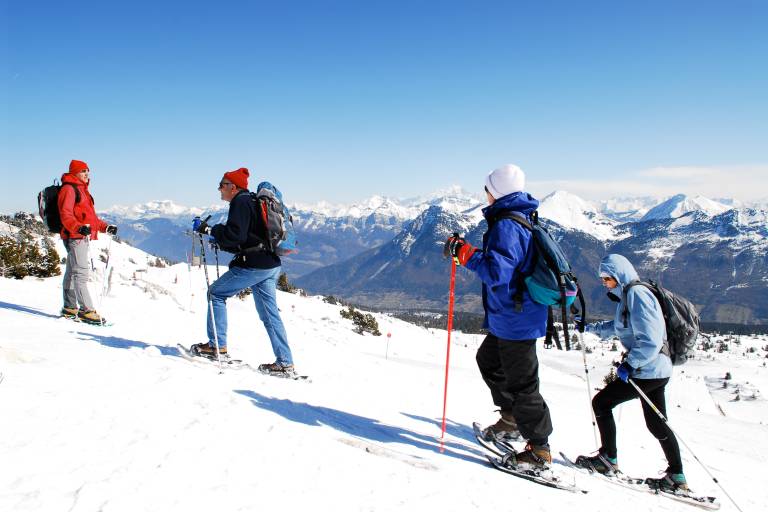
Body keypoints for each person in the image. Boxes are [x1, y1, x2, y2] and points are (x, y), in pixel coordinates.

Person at [444, 164, 552, 469]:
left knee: (523, 385)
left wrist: (464, 253)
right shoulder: (517, 217)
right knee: (488, 360)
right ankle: (511, 418)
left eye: (488, 187)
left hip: (518, 320)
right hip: (511, 317)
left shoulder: (507, 224)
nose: (486, 193)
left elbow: (496, 272)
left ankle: (539, 451)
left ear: (497, 190)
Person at [576, 254, 688, 492]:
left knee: (602, 403)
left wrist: (631, 364)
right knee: (656, 424)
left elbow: (651, 339)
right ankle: (677, 477)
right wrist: (590, 327)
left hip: (647, 369)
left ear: (618, 275)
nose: (604, 283)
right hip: (655, 369)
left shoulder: (637, 295)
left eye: (607, 278)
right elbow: (621, 326)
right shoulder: (628, 296)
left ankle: (608, 459)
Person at [191, 167, 296, 376]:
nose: (219, 189)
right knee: (269, 314)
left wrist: (209, 230)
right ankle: (285, 362)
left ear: (232, 186)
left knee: (216, 293)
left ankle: (216, 346)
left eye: (222, 184)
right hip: (270, 264)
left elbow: (235, 236)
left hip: (254, 265)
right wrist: (219, 238)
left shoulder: (240, 202)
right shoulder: (253, 201)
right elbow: (246, 237)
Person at [58, 159, 117, 325]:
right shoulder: (69, 189)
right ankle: (87, 310)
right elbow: (66, 215)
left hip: (79, 235)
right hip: (74, 237)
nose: (86, 174)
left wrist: (105, 228)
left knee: (72, 271)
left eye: (87, 171)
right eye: (83, 171)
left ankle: (69, 307)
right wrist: (78, 228)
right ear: (75, 172)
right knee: (81, 273)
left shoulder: (82, 190)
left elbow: (90, 218)